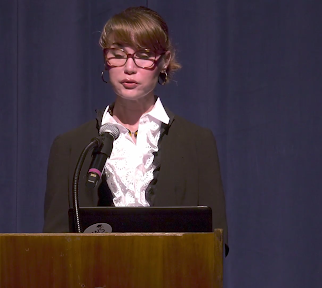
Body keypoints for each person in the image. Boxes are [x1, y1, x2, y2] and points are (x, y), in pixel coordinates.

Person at [43, 6, 228, 254]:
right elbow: (54, 242)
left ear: (164, 61)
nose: (130, 68)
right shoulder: (70, 146)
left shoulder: (197, 142)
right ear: (105, 61)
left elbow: (215, 241)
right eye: (118, 54)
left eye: (143, 55)